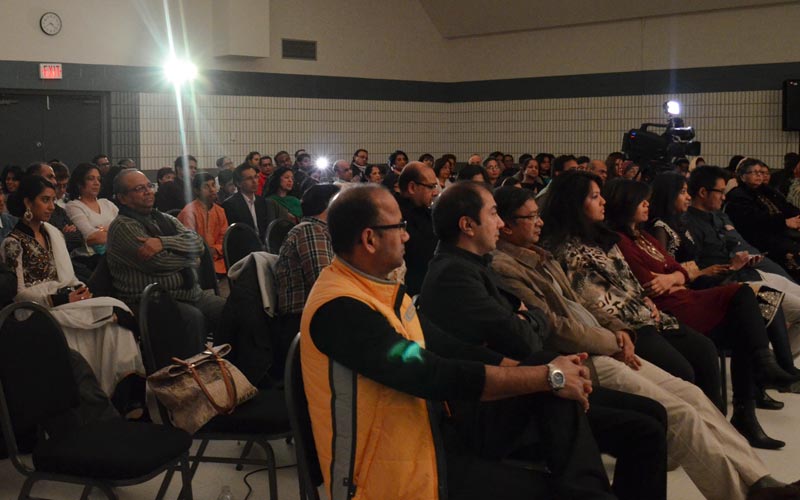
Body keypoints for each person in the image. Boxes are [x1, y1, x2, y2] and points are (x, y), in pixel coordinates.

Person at [303, 184, 625, 500]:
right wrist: (547, 377)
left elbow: (448, 347)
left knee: (553, 381)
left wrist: (540, 371)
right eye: (399, 227)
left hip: (430, 437)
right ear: (369, 239)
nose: (407, 236)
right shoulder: (340, 309)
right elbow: (429, 372)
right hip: (392, 475)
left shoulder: (381, 291)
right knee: (558, 472)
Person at [490, 185, 800, 499]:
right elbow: (556, 327)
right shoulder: (509, 266)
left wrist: (621, 331)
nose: (539, 222)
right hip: (579, 357)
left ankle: (760, 479)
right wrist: (614, 338)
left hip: (612, 336)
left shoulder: (542, 255)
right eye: (530, 217)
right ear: (506, 226)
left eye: (538, 215)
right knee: (679, 411)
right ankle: (743, 495)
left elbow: (585, 306)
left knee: (692, 394)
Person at [418, 181, 668, 500]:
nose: (500, 223)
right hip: (495, 405)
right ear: (467, 225)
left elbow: (533, 321)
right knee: (640, 428)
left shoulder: (474, 265)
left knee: (652, 414)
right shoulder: (454, 275)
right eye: (493, 214)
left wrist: (529, 319)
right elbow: (527, 340)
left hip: (522, 381)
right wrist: (532, 325)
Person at [604, 178, 800, 448]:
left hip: (696, 289)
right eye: (641, 200)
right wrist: (681, 275)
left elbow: (681, 269)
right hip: (681, 299)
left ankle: (752, 398)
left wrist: (675, 277)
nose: (647, 204)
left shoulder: (652, 234)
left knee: (756, 307)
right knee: (749, 297)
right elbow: (653, 281)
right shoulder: (636, 236)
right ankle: (765, 372)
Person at [540, 171, 723, 407]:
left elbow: (628, 278)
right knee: (682, 369)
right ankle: (695, 420)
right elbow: (589, 299)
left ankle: (718, 419)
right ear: (574, 203)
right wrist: (640, 306)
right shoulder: (562, 249)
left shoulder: (603, 237)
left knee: (705, 349)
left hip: (647, 314)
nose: (603, 201)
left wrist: (646, 300)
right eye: (595, 197)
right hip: (625, 326)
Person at [0, 175, 142, 397]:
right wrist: (59, 299)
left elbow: (67, 277)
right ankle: (99, 393)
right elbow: (17, 294)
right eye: (44, 200)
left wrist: (77, 290)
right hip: (36, 309)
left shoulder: (52, 233)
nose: (51, 206)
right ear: (28, 202)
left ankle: (121, 390)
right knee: (109, 313)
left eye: (52, 200)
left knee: (117, 311)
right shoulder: (12, 243)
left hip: (65, 298)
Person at [684, 166, 800, 362]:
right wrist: (732, 266)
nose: (724, 197)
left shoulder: (715, 216)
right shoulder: (688, 225)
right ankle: (777, 364)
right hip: (734, 285)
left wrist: (742, 257)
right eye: (720, 192)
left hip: (748, 273)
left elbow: (732, 242)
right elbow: (698, 275)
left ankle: (776, 362)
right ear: (703, 192)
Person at [107, 170, 226, 338]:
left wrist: (163, 242)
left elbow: (198, 243)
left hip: (190, 293)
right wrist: (191, 261)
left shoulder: (162, 217)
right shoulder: (123, 226)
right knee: (192, 318)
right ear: (122, 198)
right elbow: (158, 261)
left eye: (149, 186)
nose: (148, 191)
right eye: (140, 188)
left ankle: (225, 354)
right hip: (151, 300)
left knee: (230, 309)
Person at [274, 184, 339, 365]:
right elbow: (324, 282)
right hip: (304, 321)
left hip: (318, 316)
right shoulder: (310, 230)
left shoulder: (322, 231)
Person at [725, 158, 800, 276]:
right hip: (762, 239)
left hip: (782, 232)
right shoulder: (738, 195)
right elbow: (754, 220)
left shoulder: (766, 191)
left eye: (762, 172)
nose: (760, 175)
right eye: (755, 172)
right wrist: (784, 222)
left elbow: (786, 206)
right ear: (743, 176)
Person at [65, 163, 118, 270]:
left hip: (115, 256)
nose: (96, 183)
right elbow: (91, 237)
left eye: (98, 179)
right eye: (90, 178)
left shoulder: (107, 203)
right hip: (89, 261)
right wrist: (112, 230)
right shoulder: (74, 206)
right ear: (79, 183)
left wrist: (101, 229)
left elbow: (123, 228)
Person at [396, 162, 439, 296]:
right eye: (431, 187)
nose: (435, 192)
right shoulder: (394, 216)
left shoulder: (427, 211)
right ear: (412, 187)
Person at [177, 173, 229, 275]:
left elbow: (224, 238)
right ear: (196, 191)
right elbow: (189, 243)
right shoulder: (189, 212)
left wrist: (215, 250)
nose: (212, 190)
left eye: (213, 185)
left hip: (218, 260)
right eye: (206, 186)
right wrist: (207, 252)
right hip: (197, 264)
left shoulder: (220, 211)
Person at [223, 163, 287, 241]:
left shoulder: (262, 201)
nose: (254, 181)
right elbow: (234, 233)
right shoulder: (230, 205)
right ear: (238, 183)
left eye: (255, 177)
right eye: (249, 178)